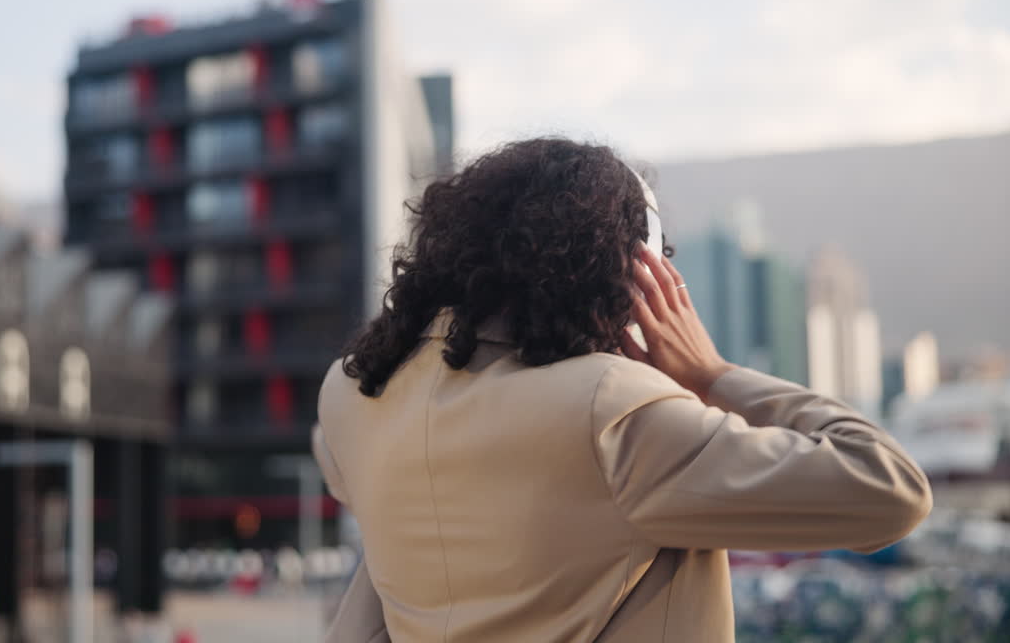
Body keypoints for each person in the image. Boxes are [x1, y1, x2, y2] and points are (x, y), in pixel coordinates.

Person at [311, 138, 931, 642]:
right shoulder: (614, 410)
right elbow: (890, 489)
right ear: (635, 276)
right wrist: (713, 375)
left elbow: (346, 475)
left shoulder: (352, 394)